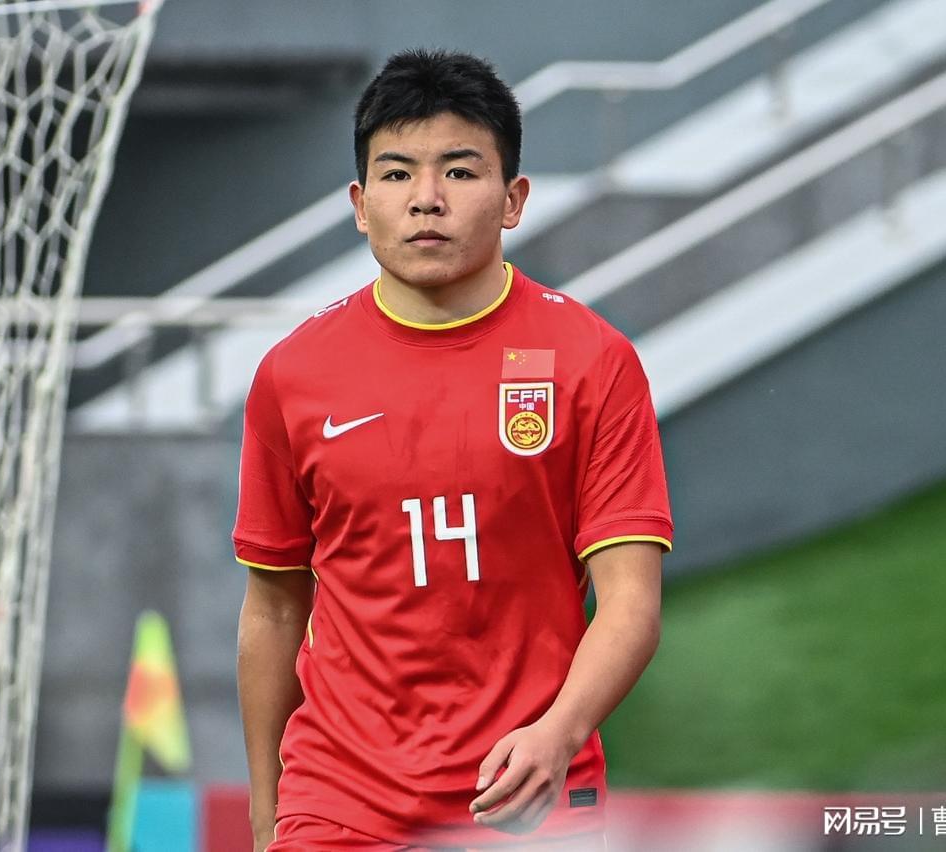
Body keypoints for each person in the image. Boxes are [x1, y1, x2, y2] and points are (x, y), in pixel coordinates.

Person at [234, 48, 673, 851]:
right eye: (397, 174)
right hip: (337, 804)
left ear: (513, 200)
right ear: (361, 204)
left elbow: (632, 604)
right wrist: (268, 819)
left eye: (460, 172)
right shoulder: (292, 376)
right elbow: (274, 607)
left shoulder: (591, 361)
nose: (426, 198)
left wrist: (559, 735)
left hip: (527, 799)